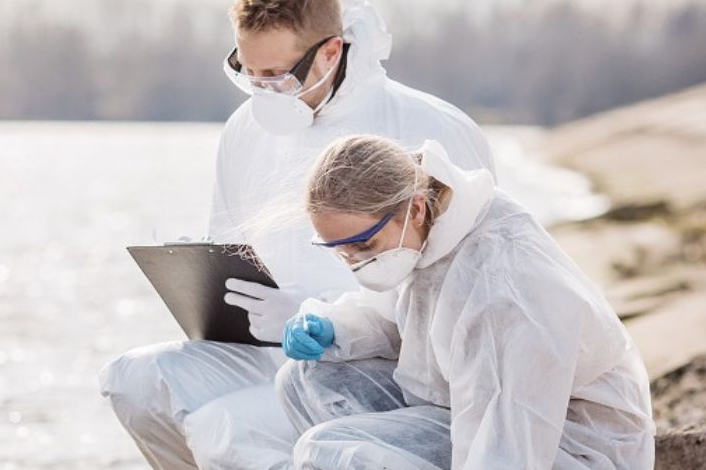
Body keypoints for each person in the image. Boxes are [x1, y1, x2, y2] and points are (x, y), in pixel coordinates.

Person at [99, 0, 495, 467]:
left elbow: (470, 297)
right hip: (265, 347)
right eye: (248, 73)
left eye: (278, 77)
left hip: (374, 367)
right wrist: (203, 274)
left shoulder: (427, 128)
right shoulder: (245, 128)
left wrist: (320, 312)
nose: (262, 93)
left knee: (225, 426)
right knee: (134, 379)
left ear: (331, 51)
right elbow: (234, 240)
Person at [277, 135, 655, 469]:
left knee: (328, 450)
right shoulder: (434, 226)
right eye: (340, 251)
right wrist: (334, 327)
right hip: (469, 405)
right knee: (306, 377)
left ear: (416, 209)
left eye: (363, 246)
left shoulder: (501, 284)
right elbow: (398, 313)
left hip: (568, 442)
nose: (357, 262)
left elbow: (509, 440)